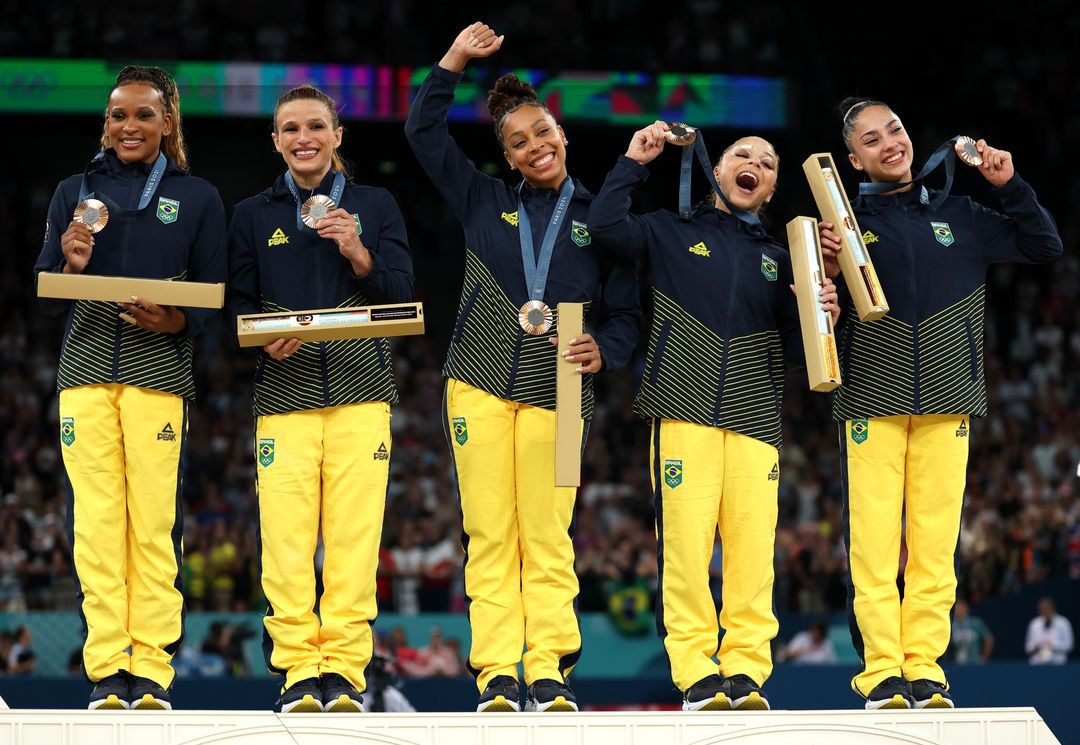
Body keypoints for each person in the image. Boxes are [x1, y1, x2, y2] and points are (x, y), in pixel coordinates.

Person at [405, 22, 639, 713]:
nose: (535, 147)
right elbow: (423, 133)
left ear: (562, 136)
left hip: (563, 384)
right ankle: (498, 671)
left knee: (548, 532)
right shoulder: (484, 201)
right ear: (505, 158)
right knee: (489, 532)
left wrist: (609, 348)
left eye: (543, 134)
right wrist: (451, 61)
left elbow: (625, 312)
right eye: (518, 142)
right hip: (477, 379)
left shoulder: (604, 219)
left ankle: (549, 668)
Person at [820, 97, 1063, 709]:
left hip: (949, 402)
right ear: (854, 159)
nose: (890, 143)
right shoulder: (840, 227)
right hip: (871, 401)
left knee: (933, 547)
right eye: (872, 140)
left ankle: (924, 666)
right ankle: (880, 672)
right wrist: (821, 274)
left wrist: (1009, 186)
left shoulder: (963, 213)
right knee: (875, 547)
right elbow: (814, 311)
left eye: (895, 129)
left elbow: (1044, 247)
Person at [588, 122, 839, 711]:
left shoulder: (783, 261)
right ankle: (697, 671)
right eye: (742, 155)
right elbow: (603, 226)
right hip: (684, 411)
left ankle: (747, 670)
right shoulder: (669, 231)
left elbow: (809, 352)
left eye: (768, 162)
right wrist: (635, 160)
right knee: (686, 550)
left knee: (754, 553)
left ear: (771, 189)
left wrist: (825, 302)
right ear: (717, 172)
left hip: (756, 420)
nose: (756, 163)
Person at [34, 65, 227, 710]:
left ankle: (151, 667)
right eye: (119, 114)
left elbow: (213, 294)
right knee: (93, 525)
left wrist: (176, 319)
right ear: (106, 122)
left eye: (144, 114)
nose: (129, 126)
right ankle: (106, 669)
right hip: (85, 371)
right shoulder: (74, 190)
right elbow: (46, 295)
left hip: (158, 372)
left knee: (151, 524)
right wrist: (71, 264)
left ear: (167, 121)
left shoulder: (197, 196)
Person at [227, 84, 414, 713]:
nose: (303, 138)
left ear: (337, 136)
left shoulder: (378, 204)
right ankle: (298, 671)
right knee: (285, 543)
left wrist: (357, 249)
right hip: (284, 396)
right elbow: (239, 307)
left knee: (355, 541)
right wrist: (261, 340)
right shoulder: (253, 214)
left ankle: (345, 672)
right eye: (290, 129)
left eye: (315, 126)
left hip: (362, 390)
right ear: (276, 141)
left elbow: (399, 295)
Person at [1024, 597, 1073, 665]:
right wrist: (1036, 647)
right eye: (1041, 609)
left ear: (1052, 609)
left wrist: (1053, 645)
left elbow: (1069, 645)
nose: (1044, 612)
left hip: (1058, 663)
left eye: (1046, 609)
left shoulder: (1063, 623)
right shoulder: (1034, 624)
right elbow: (1028, 647)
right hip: (1037, 663)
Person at [949, 599, 993, 664]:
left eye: (961, 608)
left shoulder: (975, 623)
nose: (959, 611)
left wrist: (984, 656)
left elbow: (989, 638)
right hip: (955, 663)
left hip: (975, 662)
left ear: (966, 609)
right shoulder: (950, 625)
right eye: (957, 608)